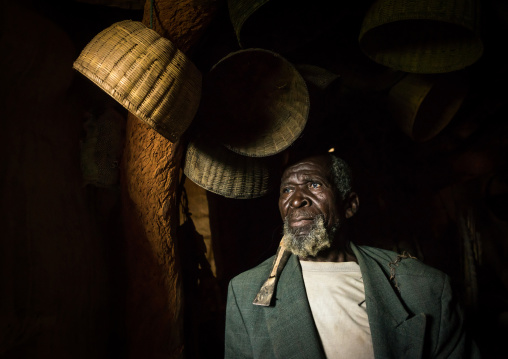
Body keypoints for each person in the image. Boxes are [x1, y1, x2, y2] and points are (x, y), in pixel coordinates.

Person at [224, 153, 480, 358]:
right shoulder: (246, 292)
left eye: (314, 185)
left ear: (349, 205)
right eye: (287, 190)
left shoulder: (425, 287)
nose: (296, 200)